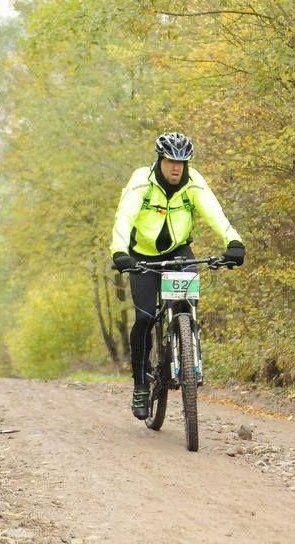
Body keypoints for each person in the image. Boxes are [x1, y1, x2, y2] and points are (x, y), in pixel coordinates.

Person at [111, 131, 246, 420]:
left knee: (187, 299)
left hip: (178, 251)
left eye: (182, 162)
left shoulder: (193, 182)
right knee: (145, 318)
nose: (176, 167)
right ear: (160, 160)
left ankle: (186, 348)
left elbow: (215, 213)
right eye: (171, 161)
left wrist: (233, 242)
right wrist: (120, 253)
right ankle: (140, 386)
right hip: (141, 256)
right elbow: (124, 216)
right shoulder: (141, 181)